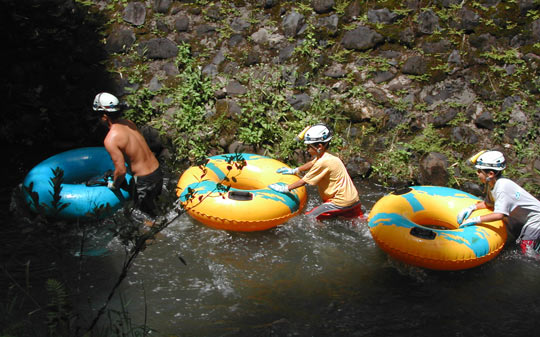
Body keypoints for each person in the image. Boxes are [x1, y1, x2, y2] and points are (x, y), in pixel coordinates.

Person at [269, 124, 361, 220]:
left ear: (319, 146)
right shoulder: (328, 156)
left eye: (309, 146)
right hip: (353, 199)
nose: (306, 149)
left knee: (309, 218)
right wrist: (295, 170)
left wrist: (285, 188)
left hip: (339, 202)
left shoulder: (323, 162)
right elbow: (312, 163)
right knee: (358, 222)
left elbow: (303, 181)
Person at [93, 92, 163, 216]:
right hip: (157, 172)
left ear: (104, 117)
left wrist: (114, 185)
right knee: (155, 208)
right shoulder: (129, 123)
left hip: (144, 181)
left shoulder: (111, 139)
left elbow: (121, 171)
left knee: (145, 217)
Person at [457, 150, 540, 255]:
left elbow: (499, 215)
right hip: (524, 219)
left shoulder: (502, 187)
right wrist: (472, 208)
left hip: (536, 218)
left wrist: (476, 219)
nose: (477, 174)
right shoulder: (492, 184)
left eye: (479, 171)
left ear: (490, 174)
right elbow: (488, 204)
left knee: (526, 249)